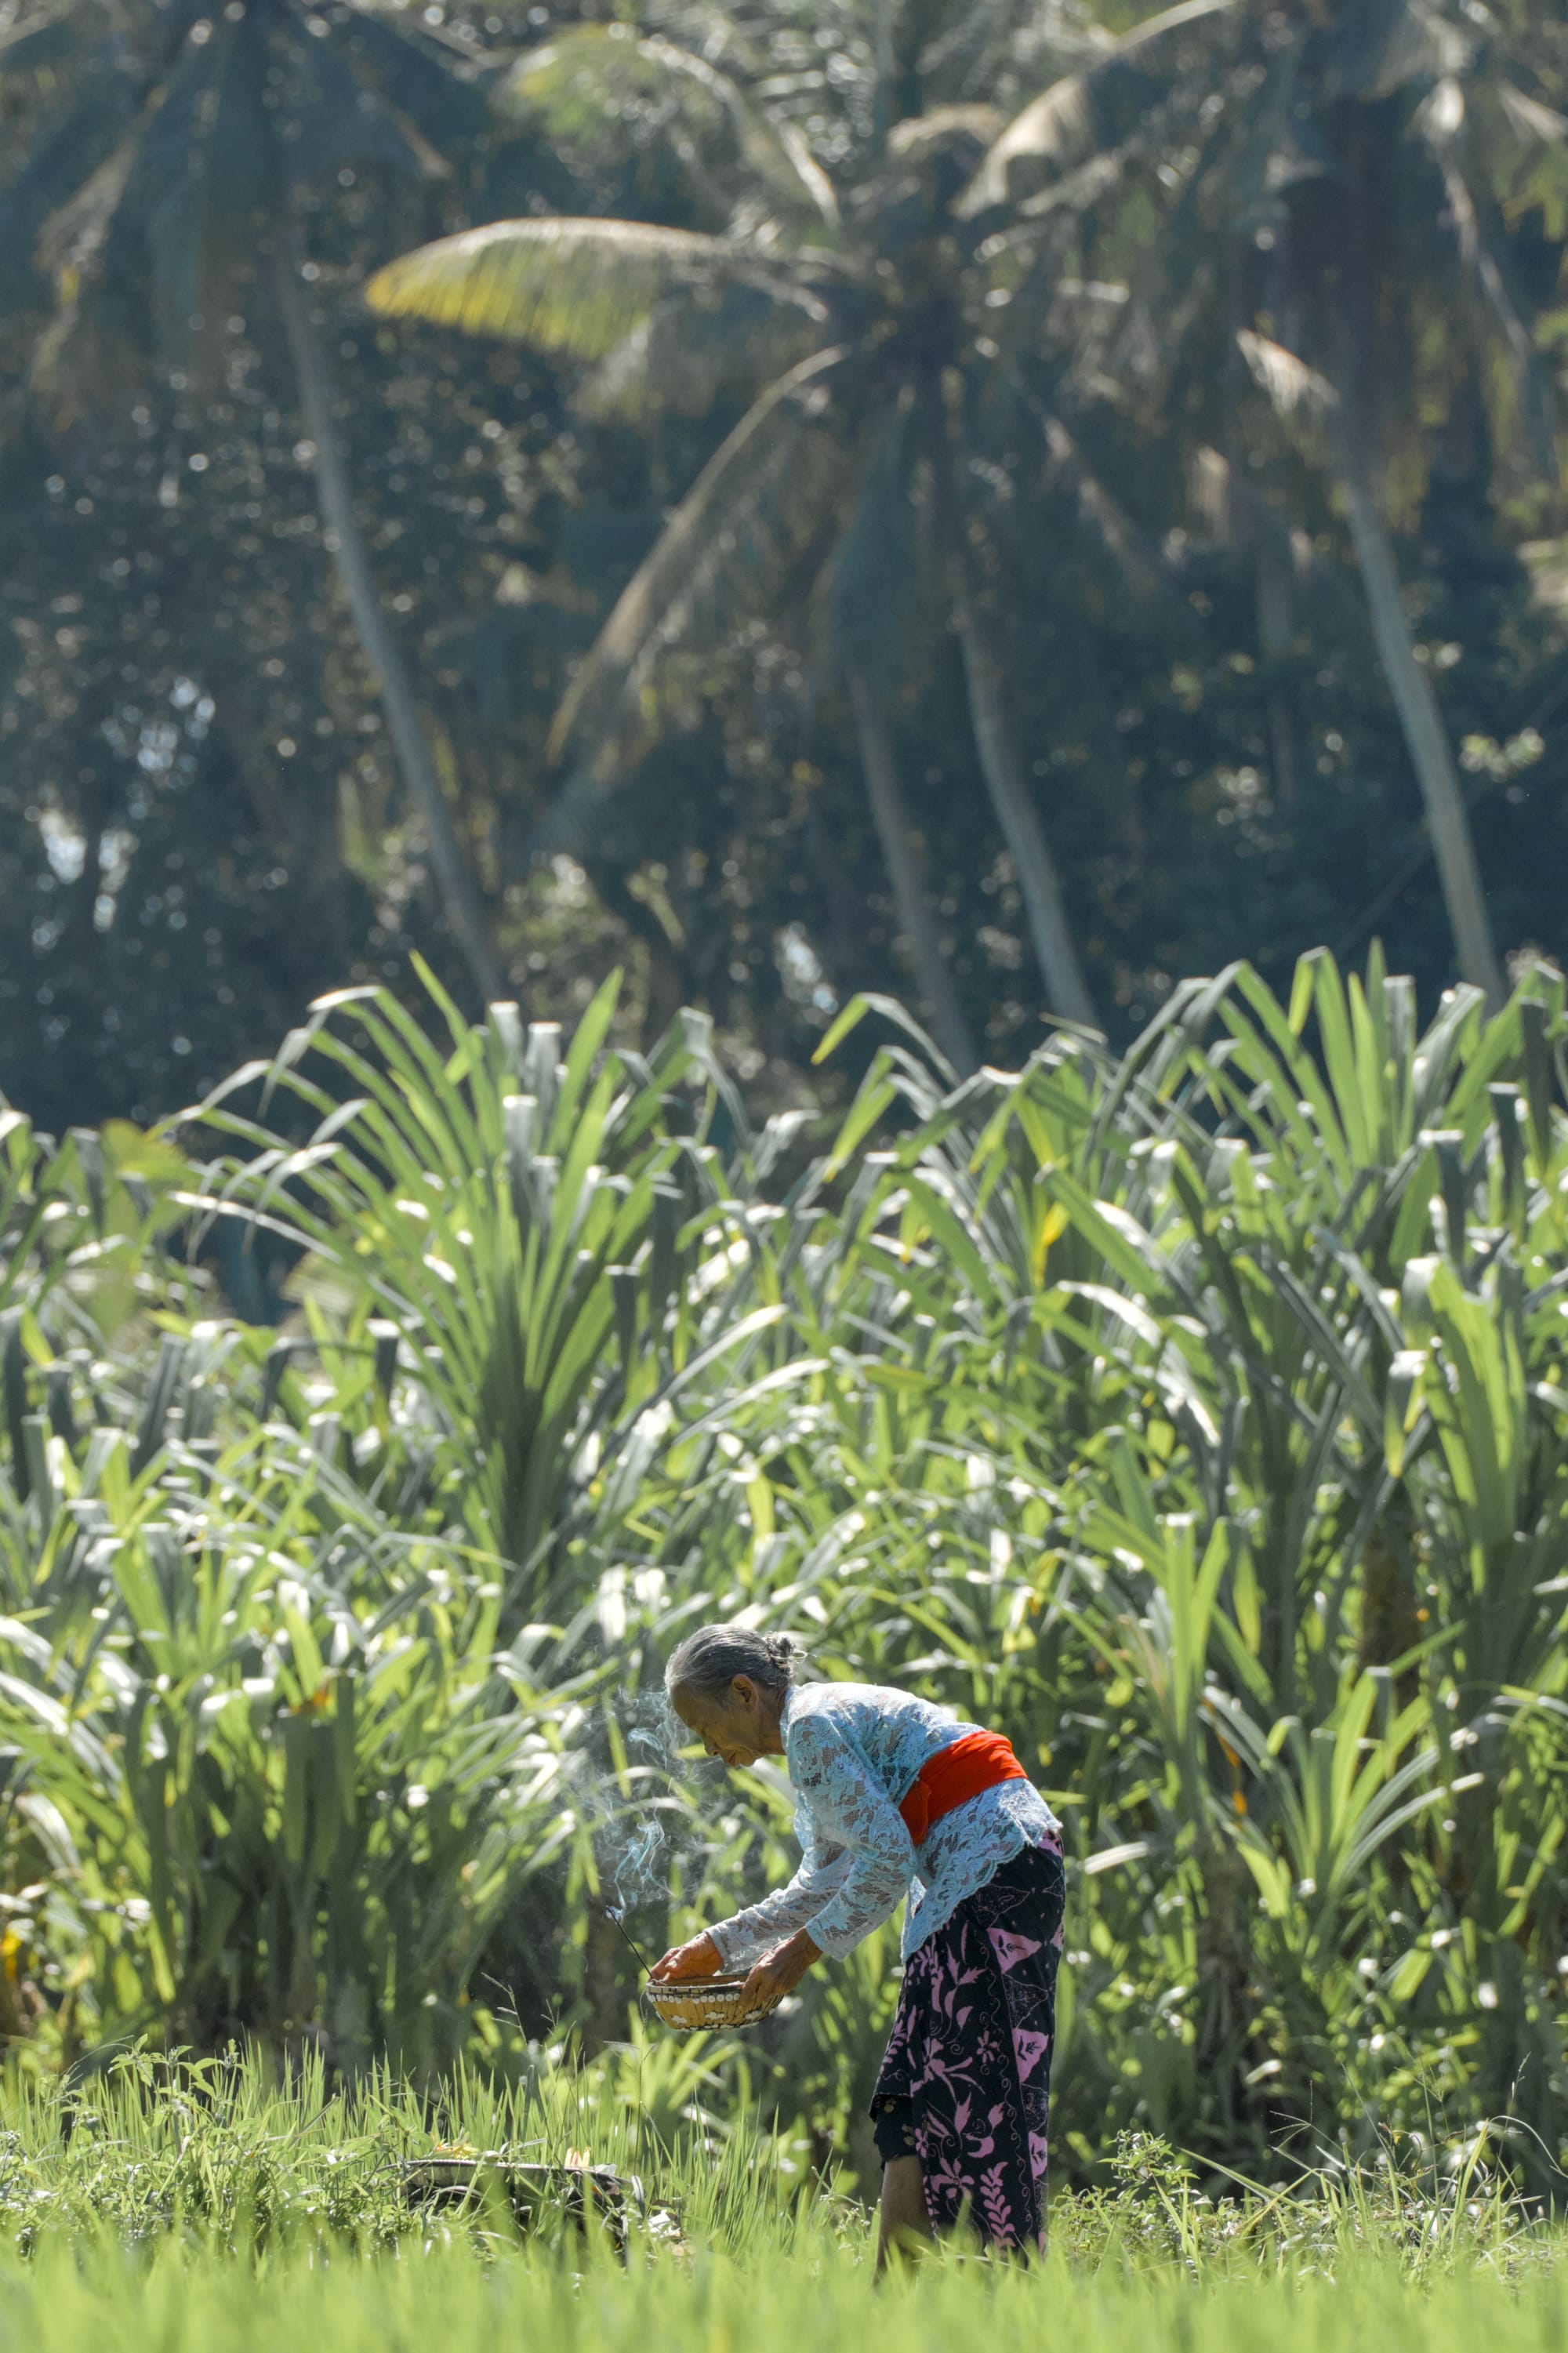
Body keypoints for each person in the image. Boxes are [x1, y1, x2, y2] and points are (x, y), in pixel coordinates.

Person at [652, 1625, 1065, 2264]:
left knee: (979, 2103)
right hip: (968, 1889)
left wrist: (797, 1954)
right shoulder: (814, 1731)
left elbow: (888, 1861)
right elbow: (824, 1880)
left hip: (994, 1873)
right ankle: (888, 2308)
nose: (708, 1747)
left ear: (742, 1693)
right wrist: (717, 1945)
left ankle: (1010, 2293)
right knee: (910, 2102)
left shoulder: (813, 1728)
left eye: (704, 1726)